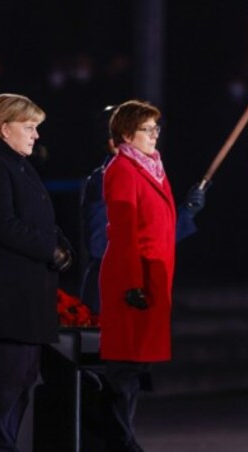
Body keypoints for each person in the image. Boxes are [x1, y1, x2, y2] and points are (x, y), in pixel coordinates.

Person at [0, 93, 73, 450]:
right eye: (29, 127)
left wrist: (62, 244)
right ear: (5, 128)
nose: (36, 135)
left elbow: (38, 219)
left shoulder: (17, 164)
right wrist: (47, 248)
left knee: (22, 383)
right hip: (6, 303)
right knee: (5, 390)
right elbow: (2, 223)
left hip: (25, 302)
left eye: (36, 127)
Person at [99, 100, 186, 452]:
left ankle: (123, 439)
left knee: (135, 370)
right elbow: (123, 231)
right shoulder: (122, 169)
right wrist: (134, 282)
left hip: (152, 278)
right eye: (147, 129)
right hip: (132, 280)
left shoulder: (152, 168)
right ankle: (120, 443)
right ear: (126, 135)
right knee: (124, 371)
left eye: (156, 129)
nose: (154, 135)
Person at [80, 105, 206, 314]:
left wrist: (186, 212)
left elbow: (156, 236)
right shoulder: (106, 179)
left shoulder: (147, 175)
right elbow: (98, 243)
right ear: (116, 141)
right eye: (143, 130)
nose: (152, 136)